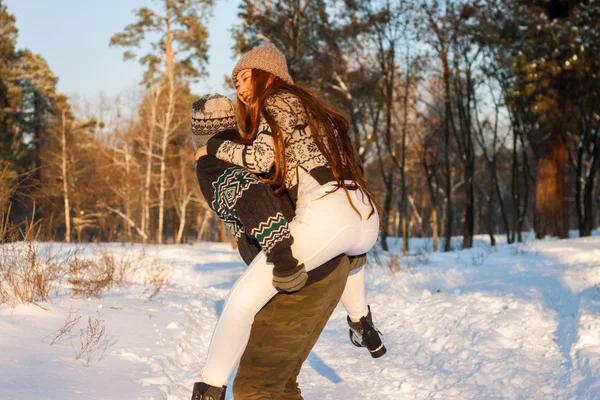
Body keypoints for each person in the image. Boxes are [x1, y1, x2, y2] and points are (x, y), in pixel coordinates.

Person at [194, 43, 385, 394]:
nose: (239, 87)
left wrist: (213, 148)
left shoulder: (276, 100)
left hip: (330, 211)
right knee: (349, 261)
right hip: (362, 213)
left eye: (245, 77)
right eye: (235, 81)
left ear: (268, 74)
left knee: (241, 299)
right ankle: (362, 324)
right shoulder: (316, 110)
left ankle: (209, 387)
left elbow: (262, 159)